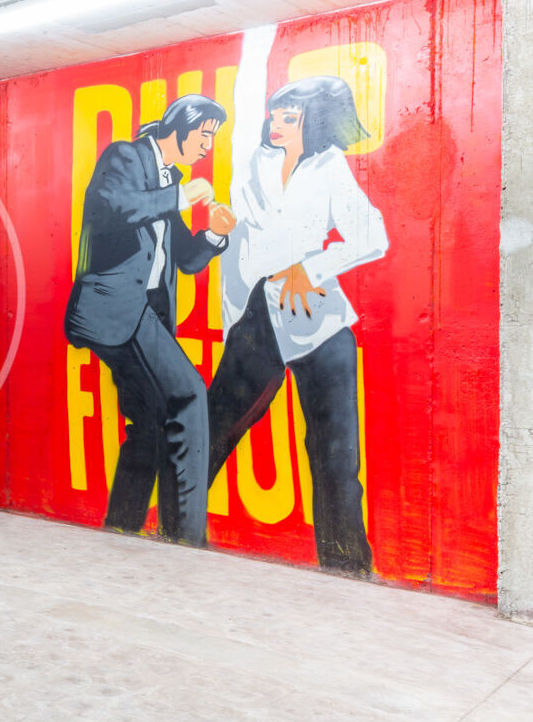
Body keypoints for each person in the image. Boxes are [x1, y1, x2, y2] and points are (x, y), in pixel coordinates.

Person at [207, 75, 388, 573]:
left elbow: (373, 235)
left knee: (336, 458)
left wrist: (312, 267)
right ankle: (172, 529)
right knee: (211, 429)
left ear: (316, 122)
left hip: (321, 321)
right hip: (260, 316)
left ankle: (347, 565)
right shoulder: (254, 161)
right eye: (275, 115)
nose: (276, 124)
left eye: (289, 117)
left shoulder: (331, 168)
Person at [65, 95, 236, 546]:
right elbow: (116, 209)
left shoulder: (169, 177)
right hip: (115, 307)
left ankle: (122, 526)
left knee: (148, 423)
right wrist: (181, 196)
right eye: (204, 136)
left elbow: (184, 260)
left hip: (148, 311)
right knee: (189, 395)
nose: (207, 147)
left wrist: (214, 234)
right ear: (178, 128)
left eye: (212, 139)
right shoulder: (125, 156)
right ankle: (187, 537)